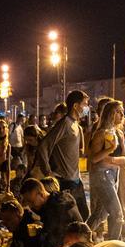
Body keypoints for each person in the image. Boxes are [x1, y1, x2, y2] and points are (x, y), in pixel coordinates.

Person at [86, 100, 125, 241]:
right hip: (101, 176)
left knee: (100, 214)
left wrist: (110, 159)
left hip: (114, 175)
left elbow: (124, 160)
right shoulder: (101, 133)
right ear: (110, 114)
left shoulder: (119, 133)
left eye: (122, 112)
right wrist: (110, 150)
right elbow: (94, 159)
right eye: (118, 111)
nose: (121, 114)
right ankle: (114, 246)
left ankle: (78, 237)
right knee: (117, 214)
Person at [40, 90, 90, 219]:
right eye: (84, 104)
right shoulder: (64, 124)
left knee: (84, 215)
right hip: (64, 181)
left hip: (76, 180)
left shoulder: (76, 125)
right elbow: (43, 146)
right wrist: (47, 171)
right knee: (71, 219)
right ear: (75, 106)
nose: (86, 108)